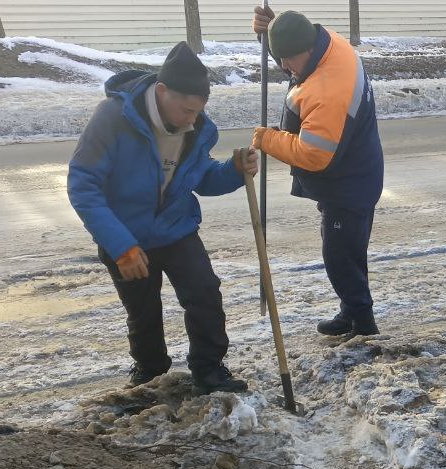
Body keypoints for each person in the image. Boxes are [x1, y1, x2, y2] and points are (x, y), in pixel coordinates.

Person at [67, 41, 258, 393]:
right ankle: (150, 374)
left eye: (198, 111)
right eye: (186, 110)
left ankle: (209, 369)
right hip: (125, 235)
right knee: (143, 311)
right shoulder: (113, 118)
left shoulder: (196, 129)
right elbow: (83, 186)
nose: (192, 120)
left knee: (204, 293)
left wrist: (233, 170)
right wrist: (121, 246)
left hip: (175, 228)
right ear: (161, 91)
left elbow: (201, 178)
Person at [250, 6, 385, 338]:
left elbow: (314, 155)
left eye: (287, 59)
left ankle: (364, 326)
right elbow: (299, 63)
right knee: (348, 252)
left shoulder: (329, 90)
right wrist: (273, 33)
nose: (284, 67)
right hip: (357, 173)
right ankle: (352, 311)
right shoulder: (328, 45)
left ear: (306, 49)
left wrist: (268, 139)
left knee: (339, 257)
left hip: (348, 185)